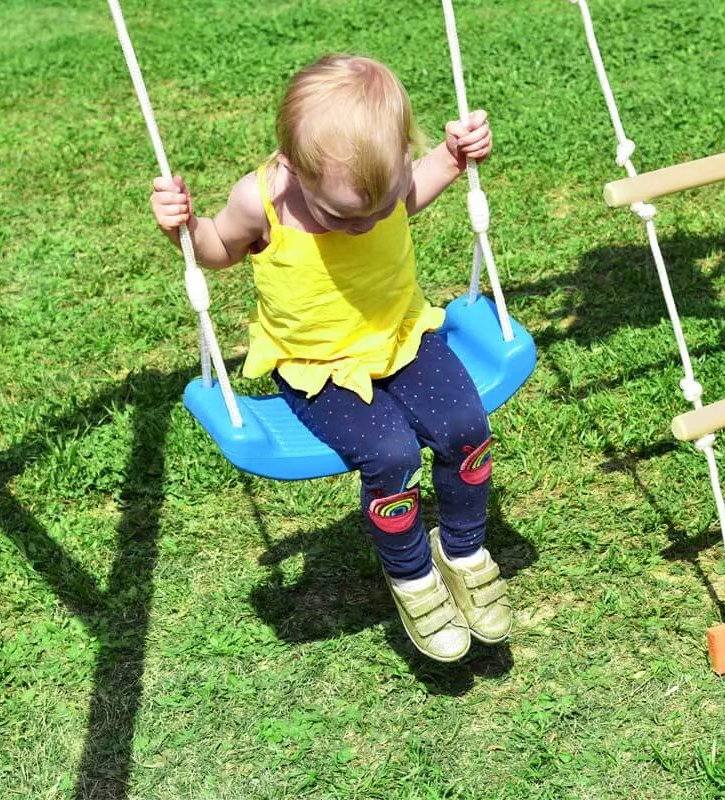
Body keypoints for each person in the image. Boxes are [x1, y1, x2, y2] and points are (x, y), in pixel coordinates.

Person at [151, 54, 511, 662]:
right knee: (392, 453)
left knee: (467, 429)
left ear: (400, 155)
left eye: (383, 205)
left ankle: (465, 550)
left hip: (402, 338)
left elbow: (411, 193)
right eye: (346, 216)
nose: (367, 223)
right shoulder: (261, 200)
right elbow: (216, 251)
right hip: (317, 369)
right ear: (293, 170)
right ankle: (413, 577)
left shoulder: (380, 181)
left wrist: (453, 157)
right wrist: (182, 228)